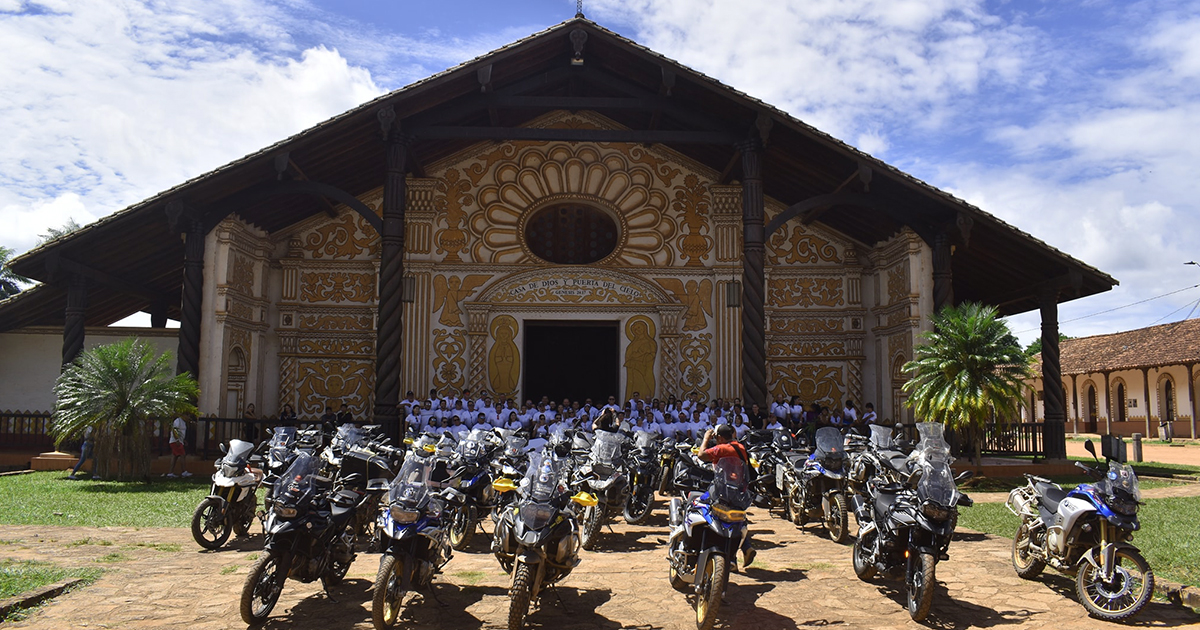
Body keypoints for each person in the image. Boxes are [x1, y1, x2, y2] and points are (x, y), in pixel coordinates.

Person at [697, 424, 756, 566]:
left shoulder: (723, 448)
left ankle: (724, 556)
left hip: (723, 489)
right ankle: (742, 550)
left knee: (708, 511)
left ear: (720, 437)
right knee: (735, 518)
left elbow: (701, 455)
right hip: (739, 489)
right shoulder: (740, 447)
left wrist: (705, 439)